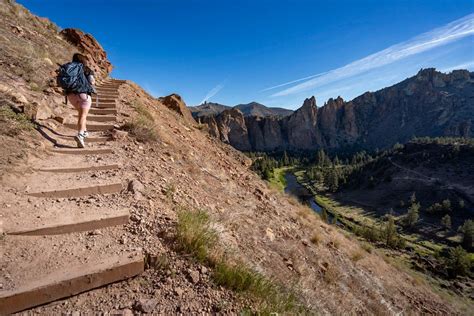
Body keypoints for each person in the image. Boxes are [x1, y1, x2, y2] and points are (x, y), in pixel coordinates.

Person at [67, 53, 95, 148]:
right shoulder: (86, 69)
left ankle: (85, 131)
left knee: (81, 114)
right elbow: (92, 81)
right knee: (83, 115)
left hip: (70, 95)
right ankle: (80, 135)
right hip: (83, 94)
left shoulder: (69, 67)